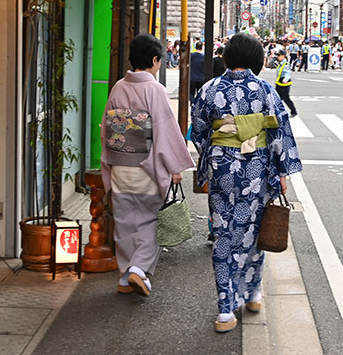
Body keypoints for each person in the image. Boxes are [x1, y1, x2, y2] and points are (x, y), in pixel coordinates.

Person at [190, 32, 303, 333]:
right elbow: (280, 133)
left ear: (227, 57)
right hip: (256, 171)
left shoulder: (210, 88)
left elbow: (198, 130)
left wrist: (215, 155)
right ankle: (252, 294)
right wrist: (282, 174)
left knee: (224, 234)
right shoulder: (266, 90)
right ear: (257, 60)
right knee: (254, 232)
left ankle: (225, 310)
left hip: (222, 171)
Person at [100, 33, 195, 297]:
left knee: (124, 221)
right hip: (147, 167)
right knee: (152, 221)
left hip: (120, 165)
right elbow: (166, 132)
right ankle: (138, 269)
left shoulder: (118, 87)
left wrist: (110, 159)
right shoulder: (155, 90)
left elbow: (106, 129)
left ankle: (124, 278)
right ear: (154, 60)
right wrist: (174, 168)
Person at [275, 49, 298, 117]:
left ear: (283, 56)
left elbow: (287, 73)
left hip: (284, 84)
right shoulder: (280, 64)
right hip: (279, 84)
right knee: (277, 99)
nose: (277, 57)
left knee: (286, 98)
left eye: (279, 55)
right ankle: (276, 113)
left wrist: (285, 79)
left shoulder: (286, 64)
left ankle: (293, 111)